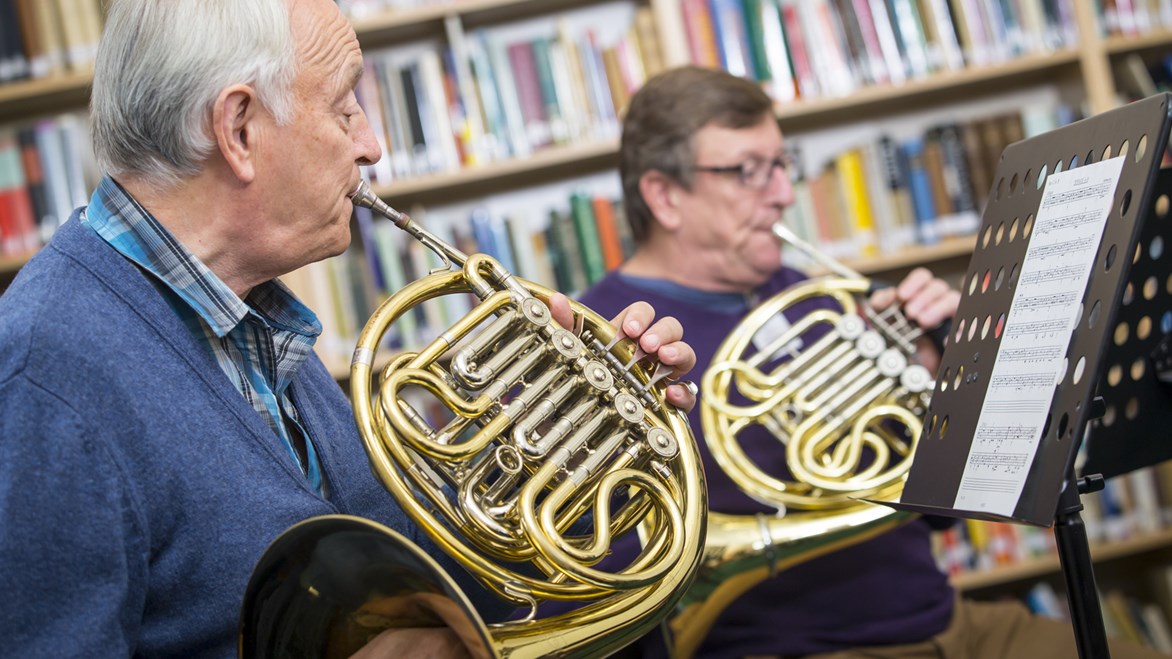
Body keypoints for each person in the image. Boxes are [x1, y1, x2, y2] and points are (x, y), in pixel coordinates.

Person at [0, 1, 696, 657]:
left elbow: (427, 585)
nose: (373, 145)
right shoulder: (45, 372)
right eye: (346, 107)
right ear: (238, 129)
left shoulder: (254, 316)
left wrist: (570, 444)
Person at [578, 65, 1168, 659]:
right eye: (748, 172)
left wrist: (934, 377)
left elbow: (936, 519)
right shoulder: (608, 341)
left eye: (784, 164)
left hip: (949, 622)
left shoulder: (816, 296)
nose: (783, 192)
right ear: (664, 196)